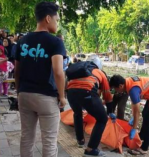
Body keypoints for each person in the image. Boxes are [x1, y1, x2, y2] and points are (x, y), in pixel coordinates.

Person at [14, 2, 67, 157]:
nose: (57, 24)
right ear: (48, 19)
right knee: (49, 142)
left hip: (24, 95)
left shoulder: (23, 41)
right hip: (46, 97)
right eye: (57, 20)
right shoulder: (56, 42)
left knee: (26, 138)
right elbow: (58, 72)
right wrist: (62, 97)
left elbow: (17, 71)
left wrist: (19, 92)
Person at [67, 56, 115, 157]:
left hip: (70, 93)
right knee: (102, 119)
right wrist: (110, 111)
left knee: (77, 114)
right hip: (86, 92)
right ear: (99, 65)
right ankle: (91, 149)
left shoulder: (80, 69)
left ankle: (80, 141)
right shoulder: (99, 72)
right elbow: (107, 95)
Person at [109, 75, 149, 155]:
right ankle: (140, 137)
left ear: (120, 86)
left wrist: (134, 128)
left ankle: (144, 148)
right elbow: (134, 106)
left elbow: (137, 111)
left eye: (115, 89)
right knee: (145, 114)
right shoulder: (127, 83)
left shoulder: (133, 89)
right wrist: (134, 118)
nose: (116, 91)